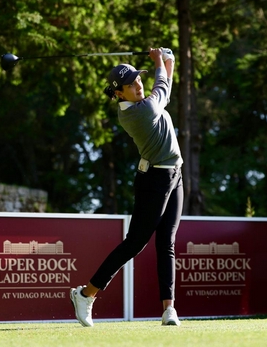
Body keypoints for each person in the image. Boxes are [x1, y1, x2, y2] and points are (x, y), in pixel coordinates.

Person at [70, 47, 183, 327]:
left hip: (175, 175)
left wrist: (168, 60)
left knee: (166, 242)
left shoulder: (147, 103)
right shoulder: (138, 113)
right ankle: (85, 294)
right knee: (135, 243)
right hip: (154, 180)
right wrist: (160, 61)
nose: (138, 85)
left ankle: (169, 309)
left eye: (139, 79)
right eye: (131, 84)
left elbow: (165, 88)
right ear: (120, 93)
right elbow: (162, 87)